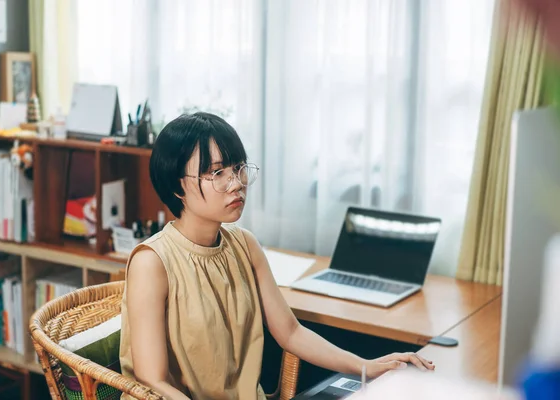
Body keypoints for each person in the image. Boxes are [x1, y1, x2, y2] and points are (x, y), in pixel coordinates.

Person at [119, 112, 434, 400]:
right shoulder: (152, 262)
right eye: (217, 173)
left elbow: (291, 332)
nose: (236, 184)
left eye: (239, 168)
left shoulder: (245, 245)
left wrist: (367, 367)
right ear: (177, 187)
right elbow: (152, 379)